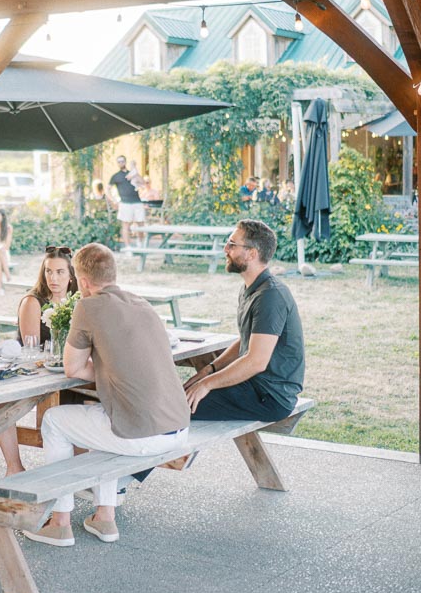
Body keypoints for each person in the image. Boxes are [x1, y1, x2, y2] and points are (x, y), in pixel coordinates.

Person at [23, 243, 190, 548]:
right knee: (102, 419)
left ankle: (59, 522)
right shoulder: (142, 304)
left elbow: (72, 367)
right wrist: (110, 369)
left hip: (143, 434)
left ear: (82, 281)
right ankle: (104, 517)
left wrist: (102, 369)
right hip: (178, 428)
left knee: (54, 421)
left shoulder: (88, 306)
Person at [184, 219, 305, 422]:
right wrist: (209, 370)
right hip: (253, 385)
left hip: (269, 396)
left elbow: (256, 362)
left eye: (232, 244)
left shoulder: (270, 296)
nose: (225, 249)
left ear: (252, 253)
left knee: (173, 407)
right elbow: (246, 341)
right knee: (176, 398)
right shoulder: (252, 288)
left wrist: (207, 384)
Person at [17, 245, 78, 347]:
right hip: (36, 362)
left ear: (71, 275)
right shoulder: (32, 302)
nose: (53, 278)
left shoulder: (77, 300)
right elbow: (31, 350)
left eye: (60, 272)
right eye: (49, 271)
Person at [107, 155, 146, 248]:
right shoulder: (115, 176)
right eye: (119, 161)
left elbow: (142, 183)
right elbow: (107, 189)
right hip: (125, 203)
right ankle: (128, 247)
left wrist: (135, 172)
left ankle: (140, 243)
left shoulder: (132, 173)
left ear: (125, 162)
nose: (121, 163)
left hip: (137, 202)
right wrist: (113, 200)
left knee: (141, 223)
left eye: (122, 161)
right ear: (117, 163)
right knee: (126, 226)